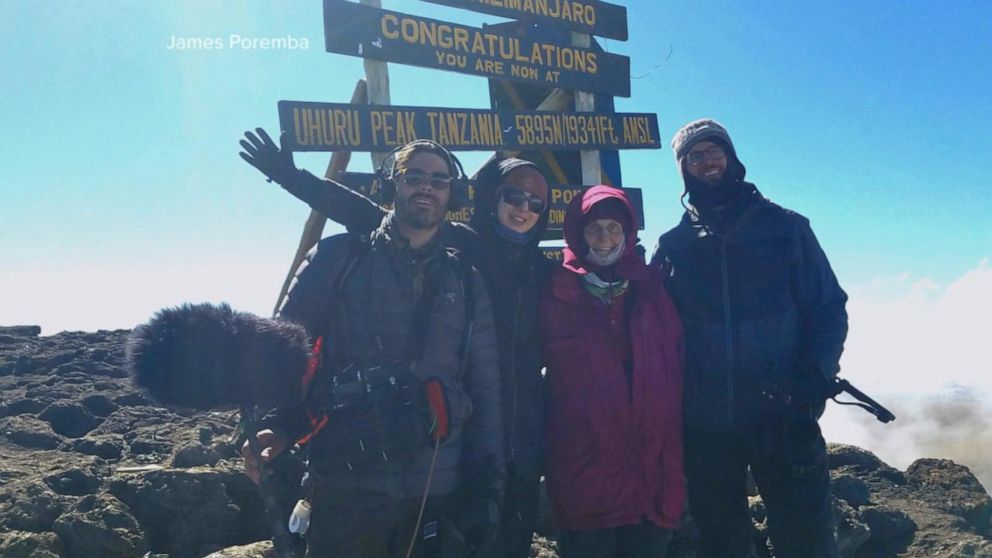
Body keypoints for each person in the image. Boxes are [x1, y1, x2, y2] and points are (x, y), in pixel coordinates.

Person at [255, 135, 555, 558]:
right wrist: (291, 177)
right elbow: (372, 216)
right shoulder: (465, 246)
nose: (524, 207)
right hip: (390, 459)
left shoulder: (547, 273)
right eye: (513, 196)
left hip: (501, 448)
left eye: (536, 202)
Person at [650, 119, 849, 558]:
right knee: (720, 541)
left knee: (807, 538)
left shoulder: (785, 228)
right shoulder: (674, 247)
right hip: (705, 424)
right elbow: (653, 331)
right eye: (694, 156)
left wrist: (813, 376)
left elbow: (828, 307)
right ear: (683, 169)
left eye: (714, 150)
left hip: (782, 412)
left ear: (732, 156)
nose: (707, 161)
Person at [541, 185, 685, 558]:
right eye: (594, 229)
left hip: (651, 474)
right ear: (576, 233)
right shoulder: (556, 292)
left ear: (628, 233)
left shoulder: (651, 289)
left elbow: (678, 365)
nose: (605, 238)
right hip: (586, 475)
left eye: (614, 228)